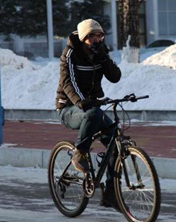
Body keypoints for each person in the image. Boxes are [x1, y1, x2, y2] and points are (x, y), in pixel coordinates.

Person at [55, 18, 122, 211]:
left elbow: (115, 77)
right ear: (84, 37)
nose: (97, 40)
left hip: (91, 107)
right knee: (92, 113)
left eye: (100, 36)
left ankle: (111, 195)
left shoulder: (100, 52)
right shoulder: (70, 54)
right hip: (68, 108)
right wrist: (81, 101)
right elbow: (68, 82)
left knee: (115, 145)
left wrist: (103, 59)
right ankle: (80, 153)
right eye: (92, 36)